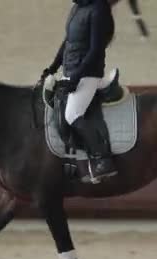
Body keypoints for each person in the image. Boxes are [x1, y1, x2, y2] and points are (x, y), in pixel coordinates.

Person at [41, 0, 118, 183]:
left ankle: (102, 160)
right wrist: (53, 67)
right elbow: (68, 41)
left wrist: (76, 77)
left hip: (88, 74)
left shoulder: (99, 9)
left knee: (72, 114)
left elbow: (96, 50)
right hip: (72, 71)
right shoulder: (77, 8)